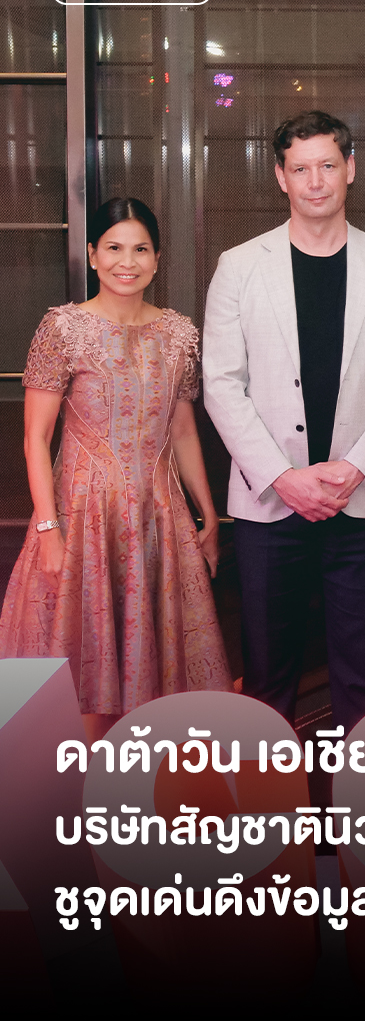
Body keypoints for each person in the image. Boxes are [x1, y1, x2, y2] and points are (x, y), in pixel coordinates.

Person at [202, 111, 365, 736]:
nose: (315, 182)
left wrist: (354, 469)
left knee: (364, 675)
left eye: (327, 165)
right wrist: (283, 477)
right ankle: (269, 800)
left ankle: (362, 799)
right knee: (268, 674)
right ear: (280, 177)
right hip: (269, 505)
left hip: (364, 502)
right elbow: (221, 383)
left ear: (350, 169)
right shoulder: (239, 266)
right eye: (300, 169)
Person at [0, 198, 230, 740]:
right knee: (78, 669)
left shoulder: (179, 333)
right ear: (92, 255)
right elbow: (35, 439)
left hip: (159, 517)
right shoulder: (63, 328)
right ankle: (71, 782)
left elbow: (182, 431)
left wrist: (208, 514)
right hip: (83, 519)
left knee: (161, 682)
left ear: (157, 259)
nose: (128, 262)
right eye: (114, 248)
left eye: (141, 249)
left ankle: (136, 779)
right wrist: (48, 530)